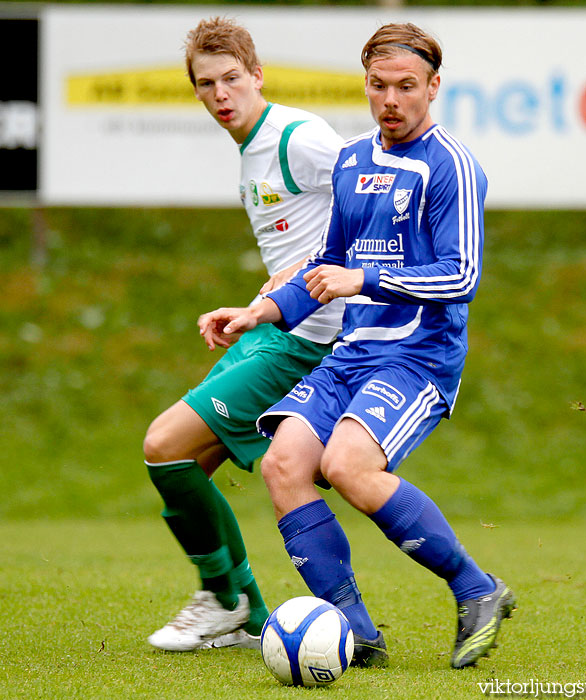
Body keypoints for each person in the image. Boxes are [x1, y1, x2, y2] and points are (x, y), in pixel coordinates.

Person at [198, 22, 516, 669]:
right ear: (365, 87)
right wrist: (260, 311)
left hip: (418, 354)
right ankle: (352, 629)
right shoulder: (351, 161)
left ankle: (476, 589)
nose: (390, 100)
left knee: (346, 465)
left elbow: (461, 276)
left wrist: (363, 278)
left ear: (432, 88)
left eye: (405, 87)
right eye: (377, 86)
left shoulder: (450, 166)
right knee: (282, 464)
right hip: (353, 351)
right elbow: (328, 261)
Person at [143, 17, 384, 665]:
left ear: (256, 77)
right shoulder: (251, 149)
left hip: (309, 341)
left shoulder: (296, 136)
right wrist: (256, 304)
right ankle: (236, 603)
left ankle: (230, 601)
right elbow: (296, 239)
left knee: (164, 445)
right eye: (205, 84)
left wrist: (307, 271)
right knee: (182, 466)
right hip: (276, 327)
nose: (220, 94)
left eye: (230, 80)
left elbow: (372, 195)